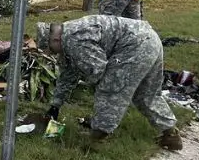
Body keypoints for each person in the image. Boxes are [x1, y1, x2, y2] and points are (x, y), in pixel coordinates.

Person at [35, 16, 182, 151]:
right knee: (146, 93)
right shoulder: (70, 33)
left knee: (110, 89)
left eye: (51, 50)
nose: (54, 54)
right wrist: (55, 105)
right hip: (150, 40)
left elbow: (98, 70)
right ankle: (171, 134)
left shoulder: (72, 40)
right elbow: (68, 74)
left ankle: (98, 136)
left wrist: (94, 87)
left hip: (133, 47)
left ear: (55, 40)